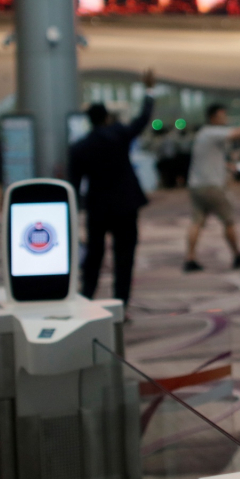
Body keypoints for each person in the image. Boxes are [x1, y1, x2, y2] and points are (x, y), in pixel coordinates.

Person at [68, 71, 159, 306]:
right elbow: (142, 120)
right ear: (107, 117)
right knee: (125, 256)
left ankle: (87, 296)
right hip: (126, 204)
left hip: (98, 207)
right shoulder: (119, 134)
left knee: (94, 255)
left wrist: (73, 213)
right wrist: (149, 91)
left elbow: (74, 184)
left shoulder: (80, 147)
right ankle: (121, 302)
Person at [184, 104, 240, 272]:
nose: (225, 119)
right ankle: (237, 255)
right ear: (213, 117)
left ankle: (190, 258)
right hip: (212, 186)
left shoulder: (203, 134)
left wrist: (229, 167)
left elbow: (210, 159)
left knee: (196, 222)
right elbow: (237, 133)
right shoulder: (213, 132)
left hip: (197, 185)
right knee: (229, 220)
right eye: (222, 116)